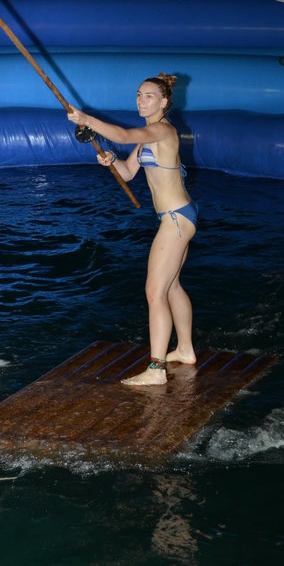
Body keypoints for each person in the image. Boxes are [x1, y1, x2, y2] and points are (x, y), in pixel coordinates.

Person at [67, 72, 198, 387]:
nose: (141, 100)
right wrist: (111, 160)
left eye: (149, 96)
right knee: (172, 286)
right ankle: (185, 349)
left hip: (175, 219)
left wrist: (87, 119)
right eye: (139, 94)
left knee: (154, 292)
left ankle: (156, 368)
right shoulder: (148, 138)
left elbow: (124, 135)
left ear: (164, 102)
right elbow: (127, 173)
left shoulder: (162, 130)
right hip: (181, 216)